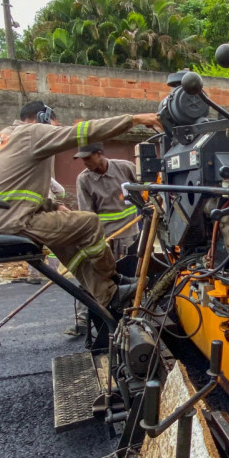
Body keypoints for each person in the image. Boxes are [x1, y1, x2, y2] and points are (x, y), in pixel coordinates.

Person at [0, 101, 160, 312]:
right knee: (89, 222)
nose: (56, 129)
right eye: (55, 124)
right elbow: (83, 132)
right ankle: (113, 280)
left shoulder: (7, 137)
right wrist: (134, 119)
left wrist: (52, 205)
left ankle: (106, 293)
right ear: (43, 119)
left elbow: (15, 191)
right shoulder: (32, 133)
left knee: (67, 239)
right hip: (11, 220)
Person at [65, 142, 140, 335]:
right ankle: (83, 321)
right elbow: (87, 213)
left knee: (128, 275)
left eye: (87, 158)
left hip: (129, 233)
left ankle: (130, 316)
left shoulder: (125, 168)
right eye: (82, 159)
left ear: (99, 154)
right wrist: (94, 239)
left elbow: (143, 190)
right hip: (103, 236)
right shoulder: (84, 179)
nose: (84, 162)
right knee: (92, 276)